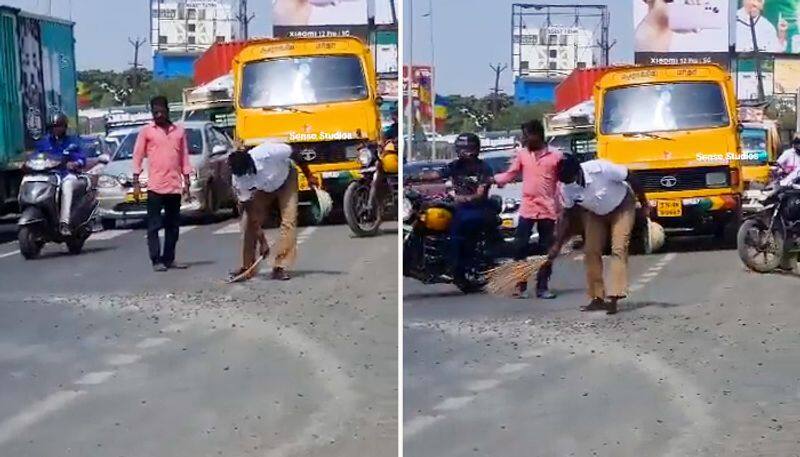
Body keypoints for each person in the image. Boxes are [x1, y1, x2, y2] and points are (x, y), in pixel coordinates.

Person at [543, 155, 649, 315]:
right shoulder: (566, 188)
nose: (571, 184)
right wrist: (558, 244)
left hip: (622, 206)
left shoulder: (601, 169)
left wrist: (645, 204)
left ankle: (614, 296)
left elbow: (631, 177)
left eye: (571, 179)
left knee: (618, 248)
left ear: (579, 170)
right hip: (594, 213)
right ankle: (597, 298)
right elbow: (568, 216)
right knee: (591, 251)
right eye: (566, 181)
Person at [227, 141, 319, 281]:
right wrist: (262, 240)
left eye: (248, 172)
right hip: (263, 189)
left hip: (285, 179)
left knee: (289, 220)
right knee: (247, 223)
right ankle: (247, 267)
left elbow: (295, 153)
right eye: (242, 175)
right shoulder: (238, 179)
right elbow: (250, 210)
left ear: (250, 162)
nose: (246, 177)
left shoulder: (269, 152)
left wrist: (309, 176)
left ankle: (280, 266)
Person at [494, 120, 561, 299]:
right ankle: (520, 285)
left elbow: (562, 183)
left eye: (526, 135)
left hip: (548, 209)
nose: (523, 139)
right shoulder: (522, 154)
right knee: (519, 247)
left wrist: (563, 208)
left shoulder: (555, 156)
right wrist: (494, 180)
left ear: (537, 135)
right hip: (527, 208)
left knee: (547, 249)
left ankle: (542, 287)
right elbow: (511, 173)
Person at [132, 96, 193, 272]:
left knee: (173, 226)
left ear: (167, 111)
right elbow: (137, 156)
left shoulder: (179, 131)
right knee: (154, 226)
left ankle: (169, 259)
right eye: (155, 112)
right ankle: (156, 260)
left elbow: (184, 158)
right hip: (155, 187)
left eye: (161, 111)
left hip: (174, 186)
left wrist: (186, 181)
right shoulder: (146, 131)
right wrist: (136, 181)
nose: (158, 115)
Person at [444, 132, 494, 283]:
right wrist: (414, 178)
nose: (465, 152)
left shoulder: (483, 168)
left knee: (458, 227)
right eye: (462, 148)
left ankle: (455, 264)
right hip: (458, 207)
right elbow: (438, 175)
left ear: (476, 149)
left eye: (468, 148)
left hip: (477, 208)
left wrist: (462, 198)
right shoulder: (454, 166)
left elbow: (480, 193)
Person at [34, 114, 87, 236]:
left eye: (59, 126)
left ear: (65, 127)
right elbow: (36, 156)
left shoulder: (72, 142)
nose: (57, 129)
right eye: (54, 126)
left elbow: (82, 158)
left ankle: (64, 223)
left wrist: (75, 163)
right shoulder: (44, 143)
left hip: (67, 175)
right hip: (48, 176)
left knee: (67, 186)